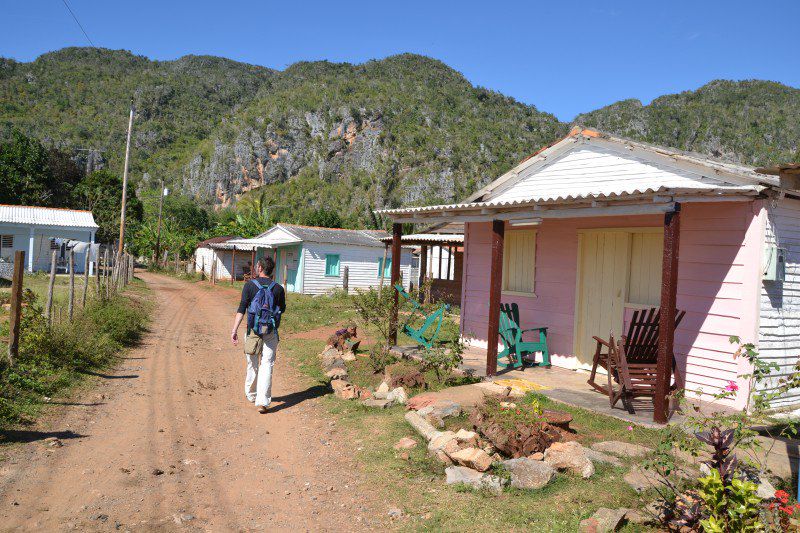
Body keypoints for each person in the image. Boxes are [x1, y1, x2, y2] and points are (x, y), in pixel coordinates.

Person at [230, 256, 286, 413]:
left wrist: (234, 330)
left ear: (260, 268)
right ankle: (263, 401)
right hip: (270, 331)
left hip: (253, 331)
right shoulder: (278, 288)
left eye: (256, 266)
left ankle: (252, 394)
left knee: (252, 363)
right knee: (267, 364)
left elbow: (242, 309)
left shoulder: (249, 286)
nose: (255, 267)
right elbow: (282, 309)